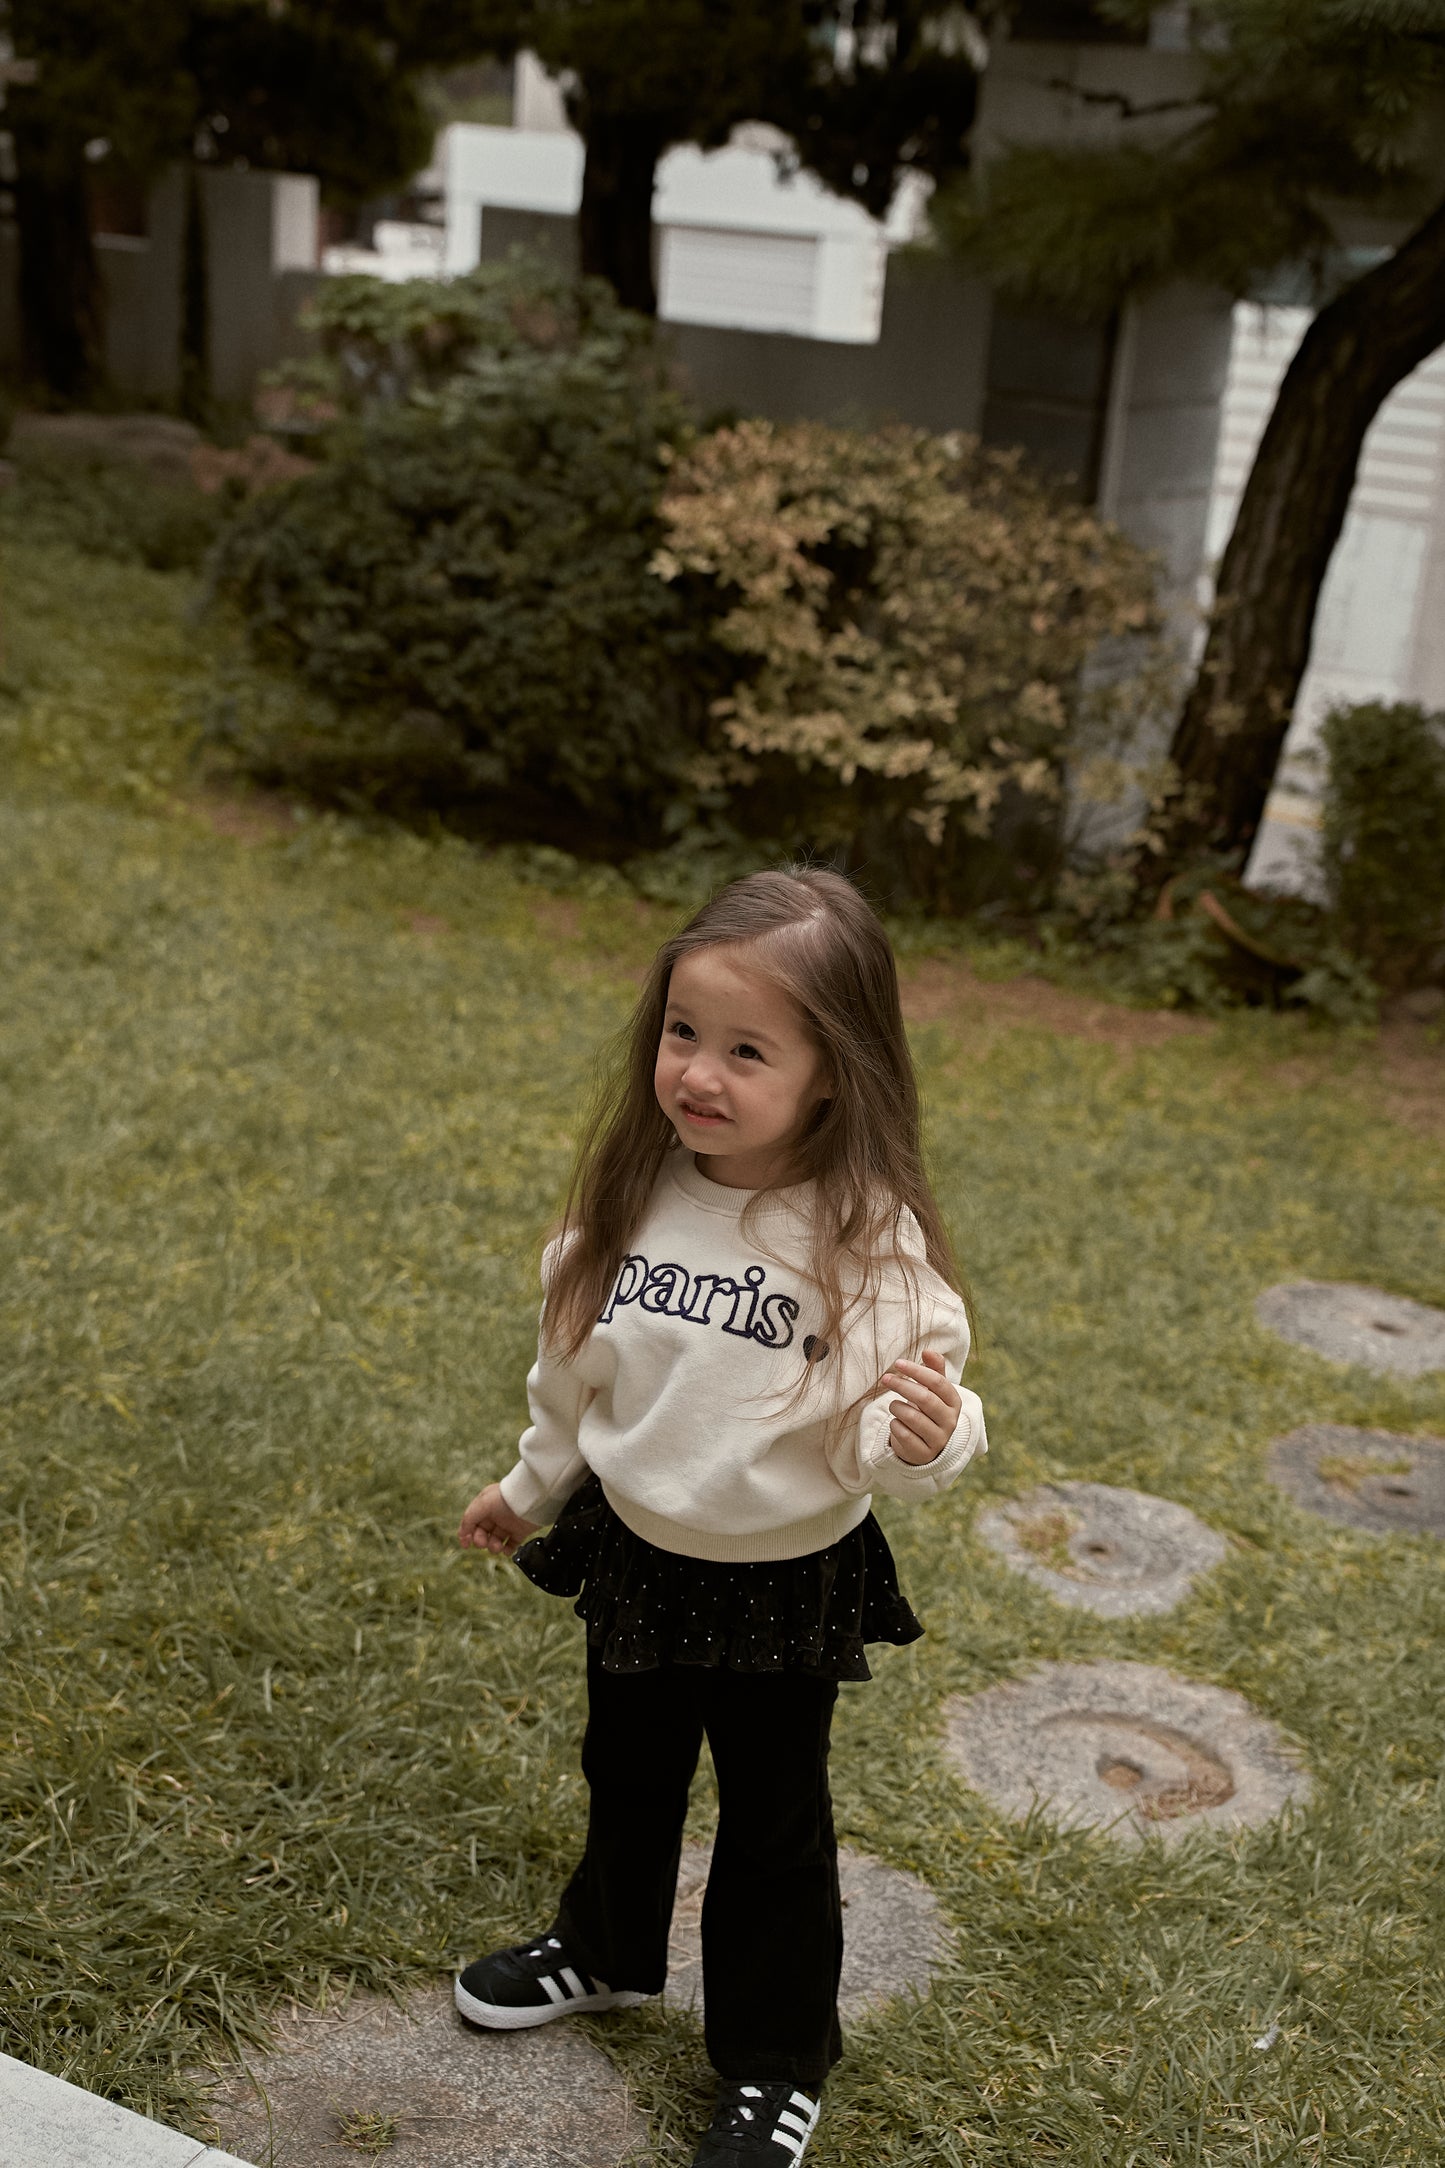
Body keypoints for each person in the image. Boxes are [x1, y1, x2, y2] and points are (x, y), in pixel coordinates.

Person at [456, 865, 986, 2165]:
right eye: (684, 1032)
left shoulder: (863, 1242)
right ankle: (604, 1947)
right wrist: (526, 1490)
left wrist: (930, 1438)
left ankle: (773, 2063)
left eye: (748, 1050)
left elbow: (898, 1423)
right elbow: (573, 1375)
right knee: (626, 1772)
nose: (699, 1072)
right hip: (638, 1553)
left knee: (772, 1826)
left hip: (782, 1579)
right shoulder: (632, 1199)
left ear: (834, 1071)